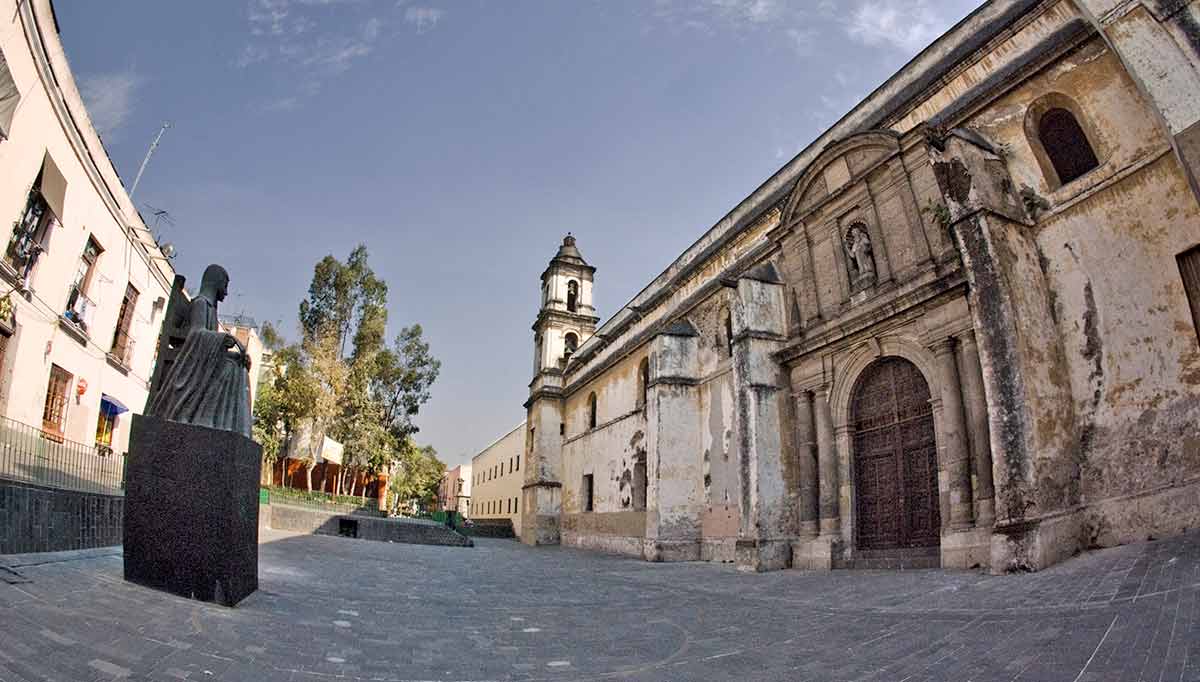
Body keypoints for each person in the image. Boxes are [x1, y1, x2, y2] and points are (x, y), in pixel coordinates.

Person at [147, 265, 252, 437]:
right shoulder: (200, 303)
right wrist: (223, 338)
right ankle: (207, 418)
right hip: (192, 365)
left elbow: (210, 348)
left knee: (239, 367)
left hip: (203, 362)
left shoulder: (211, 309)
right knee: (230, 370)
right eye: (225, 286)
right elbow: (196, 333)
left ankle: (236, 430)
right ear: (215, 282)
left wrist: (237, 356)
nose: (226, 292)